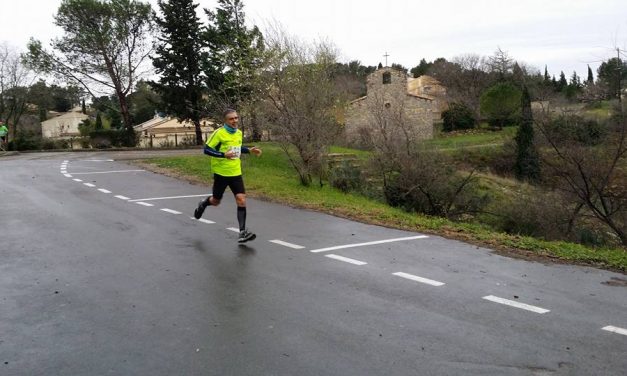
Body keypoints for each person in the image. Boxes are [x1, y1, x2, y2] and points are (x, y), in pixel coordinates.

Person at [194, 109, 262, 243]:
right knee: (216, 201)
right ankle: (203, 203)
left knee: (241, 199)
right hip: (221, 172)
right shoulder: (219, 133)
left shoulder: (238, 133)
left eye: (236, 118)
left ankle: (242, 232)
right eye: (231, 119)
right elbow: (206, 149)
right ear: (225, 120)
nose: (235, 121)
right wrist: (223, 155)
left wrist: (249, 150)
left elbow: (237, 148)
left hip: (236, 172)